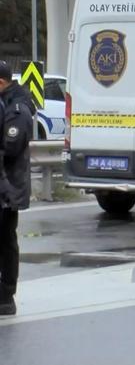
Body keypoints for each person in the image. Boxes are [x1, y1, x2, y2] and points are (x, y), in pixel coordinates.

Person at [0, 60, 35, 316]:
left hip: (8, 188)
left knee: (5, 242)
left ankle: (5, 296)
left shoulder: (17, 108)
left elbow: (11, 147)